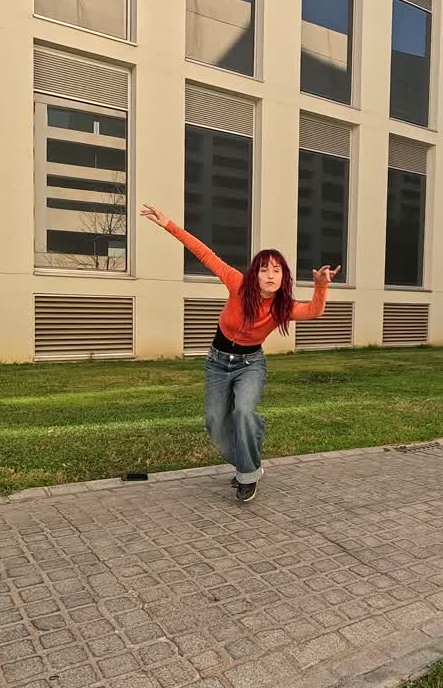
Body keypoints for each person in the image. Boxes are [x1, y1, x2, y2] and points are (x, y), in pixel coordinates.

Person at [141, 205, 340, 503]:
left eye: (277, 269)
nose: (270, 274)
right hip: (217, 362)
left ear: (284, 276)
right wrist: (168, 224)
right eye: (264, 268)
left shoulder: (282, 307)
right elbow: (205, 254)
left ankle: (247, 474)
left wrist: (321, 285)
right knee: (214, 421)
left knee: (243, 412)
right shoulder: (237, 284)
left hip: (251, 364)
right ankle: (250, 456)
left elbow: (314, 311)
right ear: (255, 274)